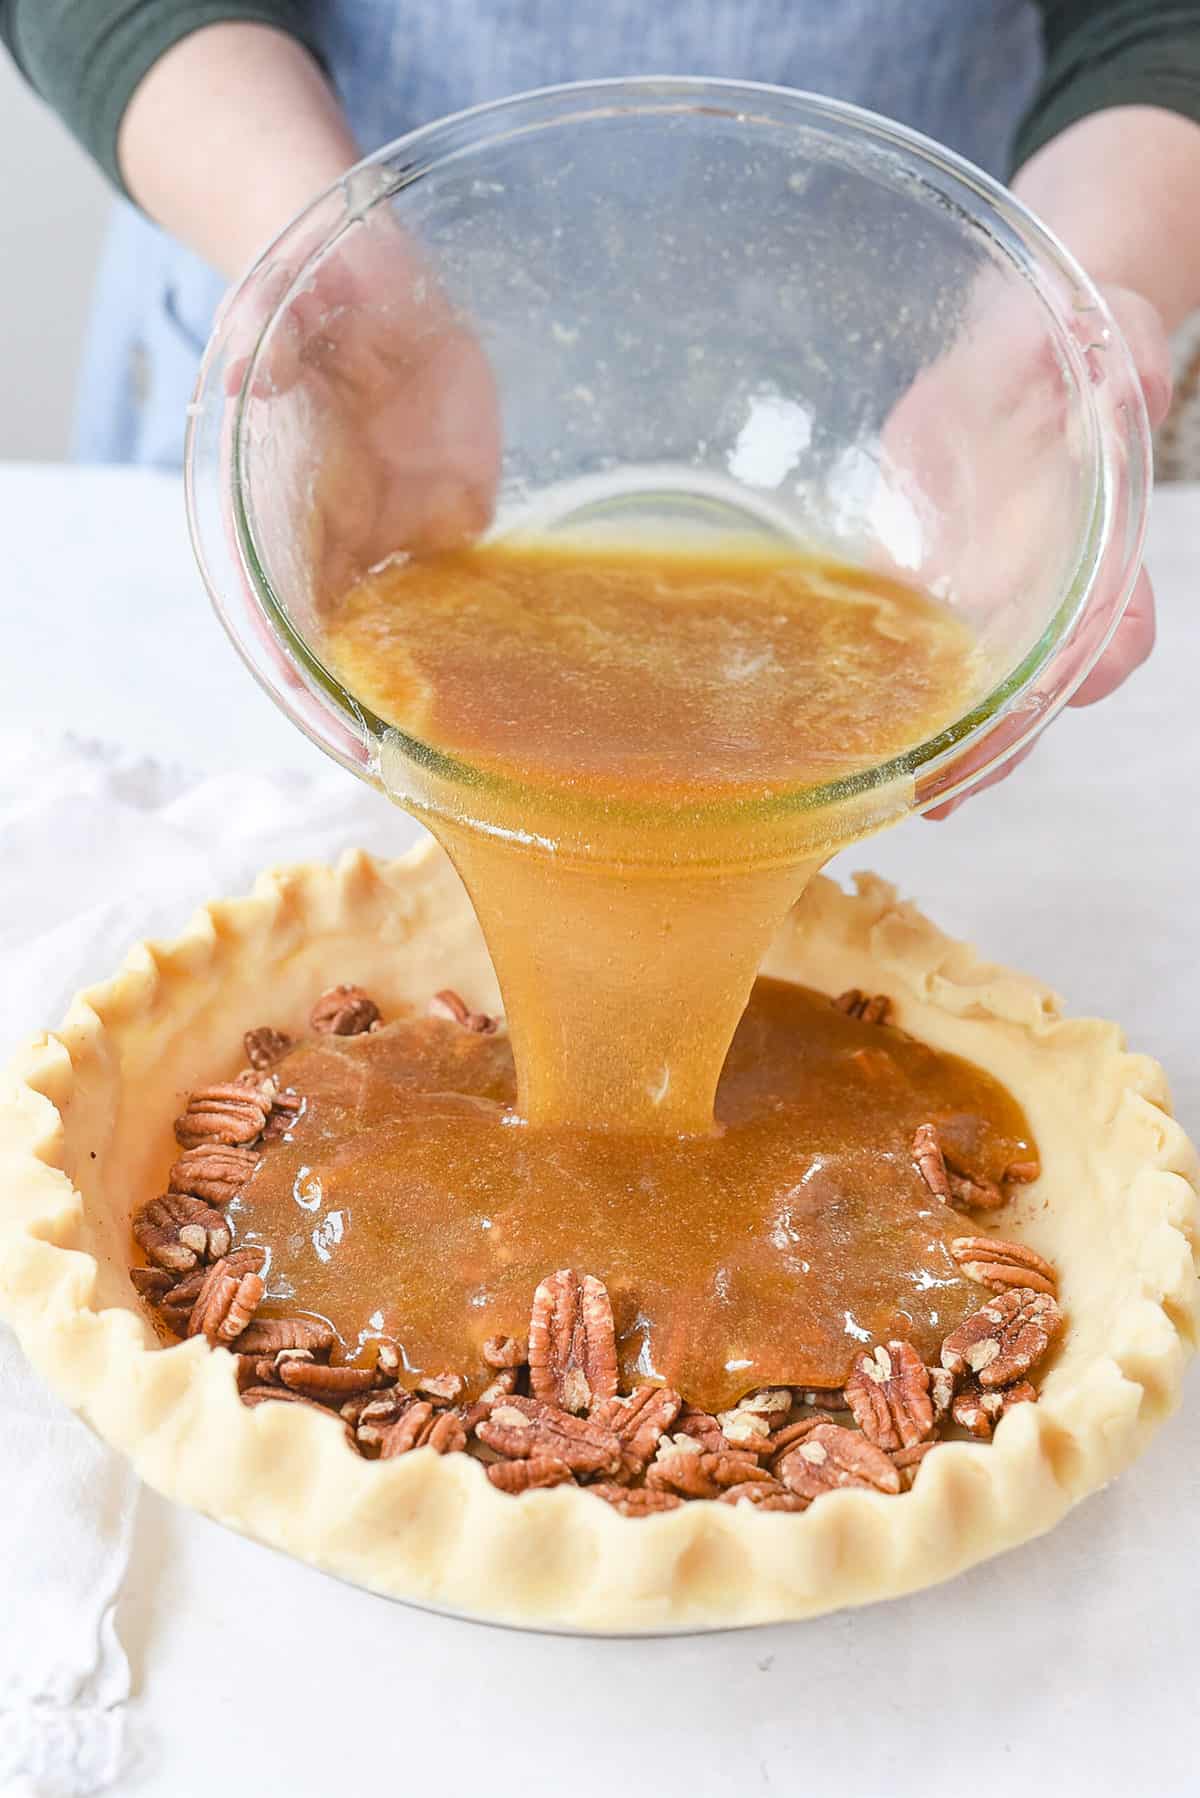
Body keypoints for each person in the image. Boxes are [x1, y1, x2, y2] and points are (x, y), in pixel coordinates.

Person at [5, 0, 1200, 725]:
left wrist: (1065, 298)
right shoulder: (336, 323)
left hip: (916, 449)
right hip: (340, 366)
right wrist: (315, 238)